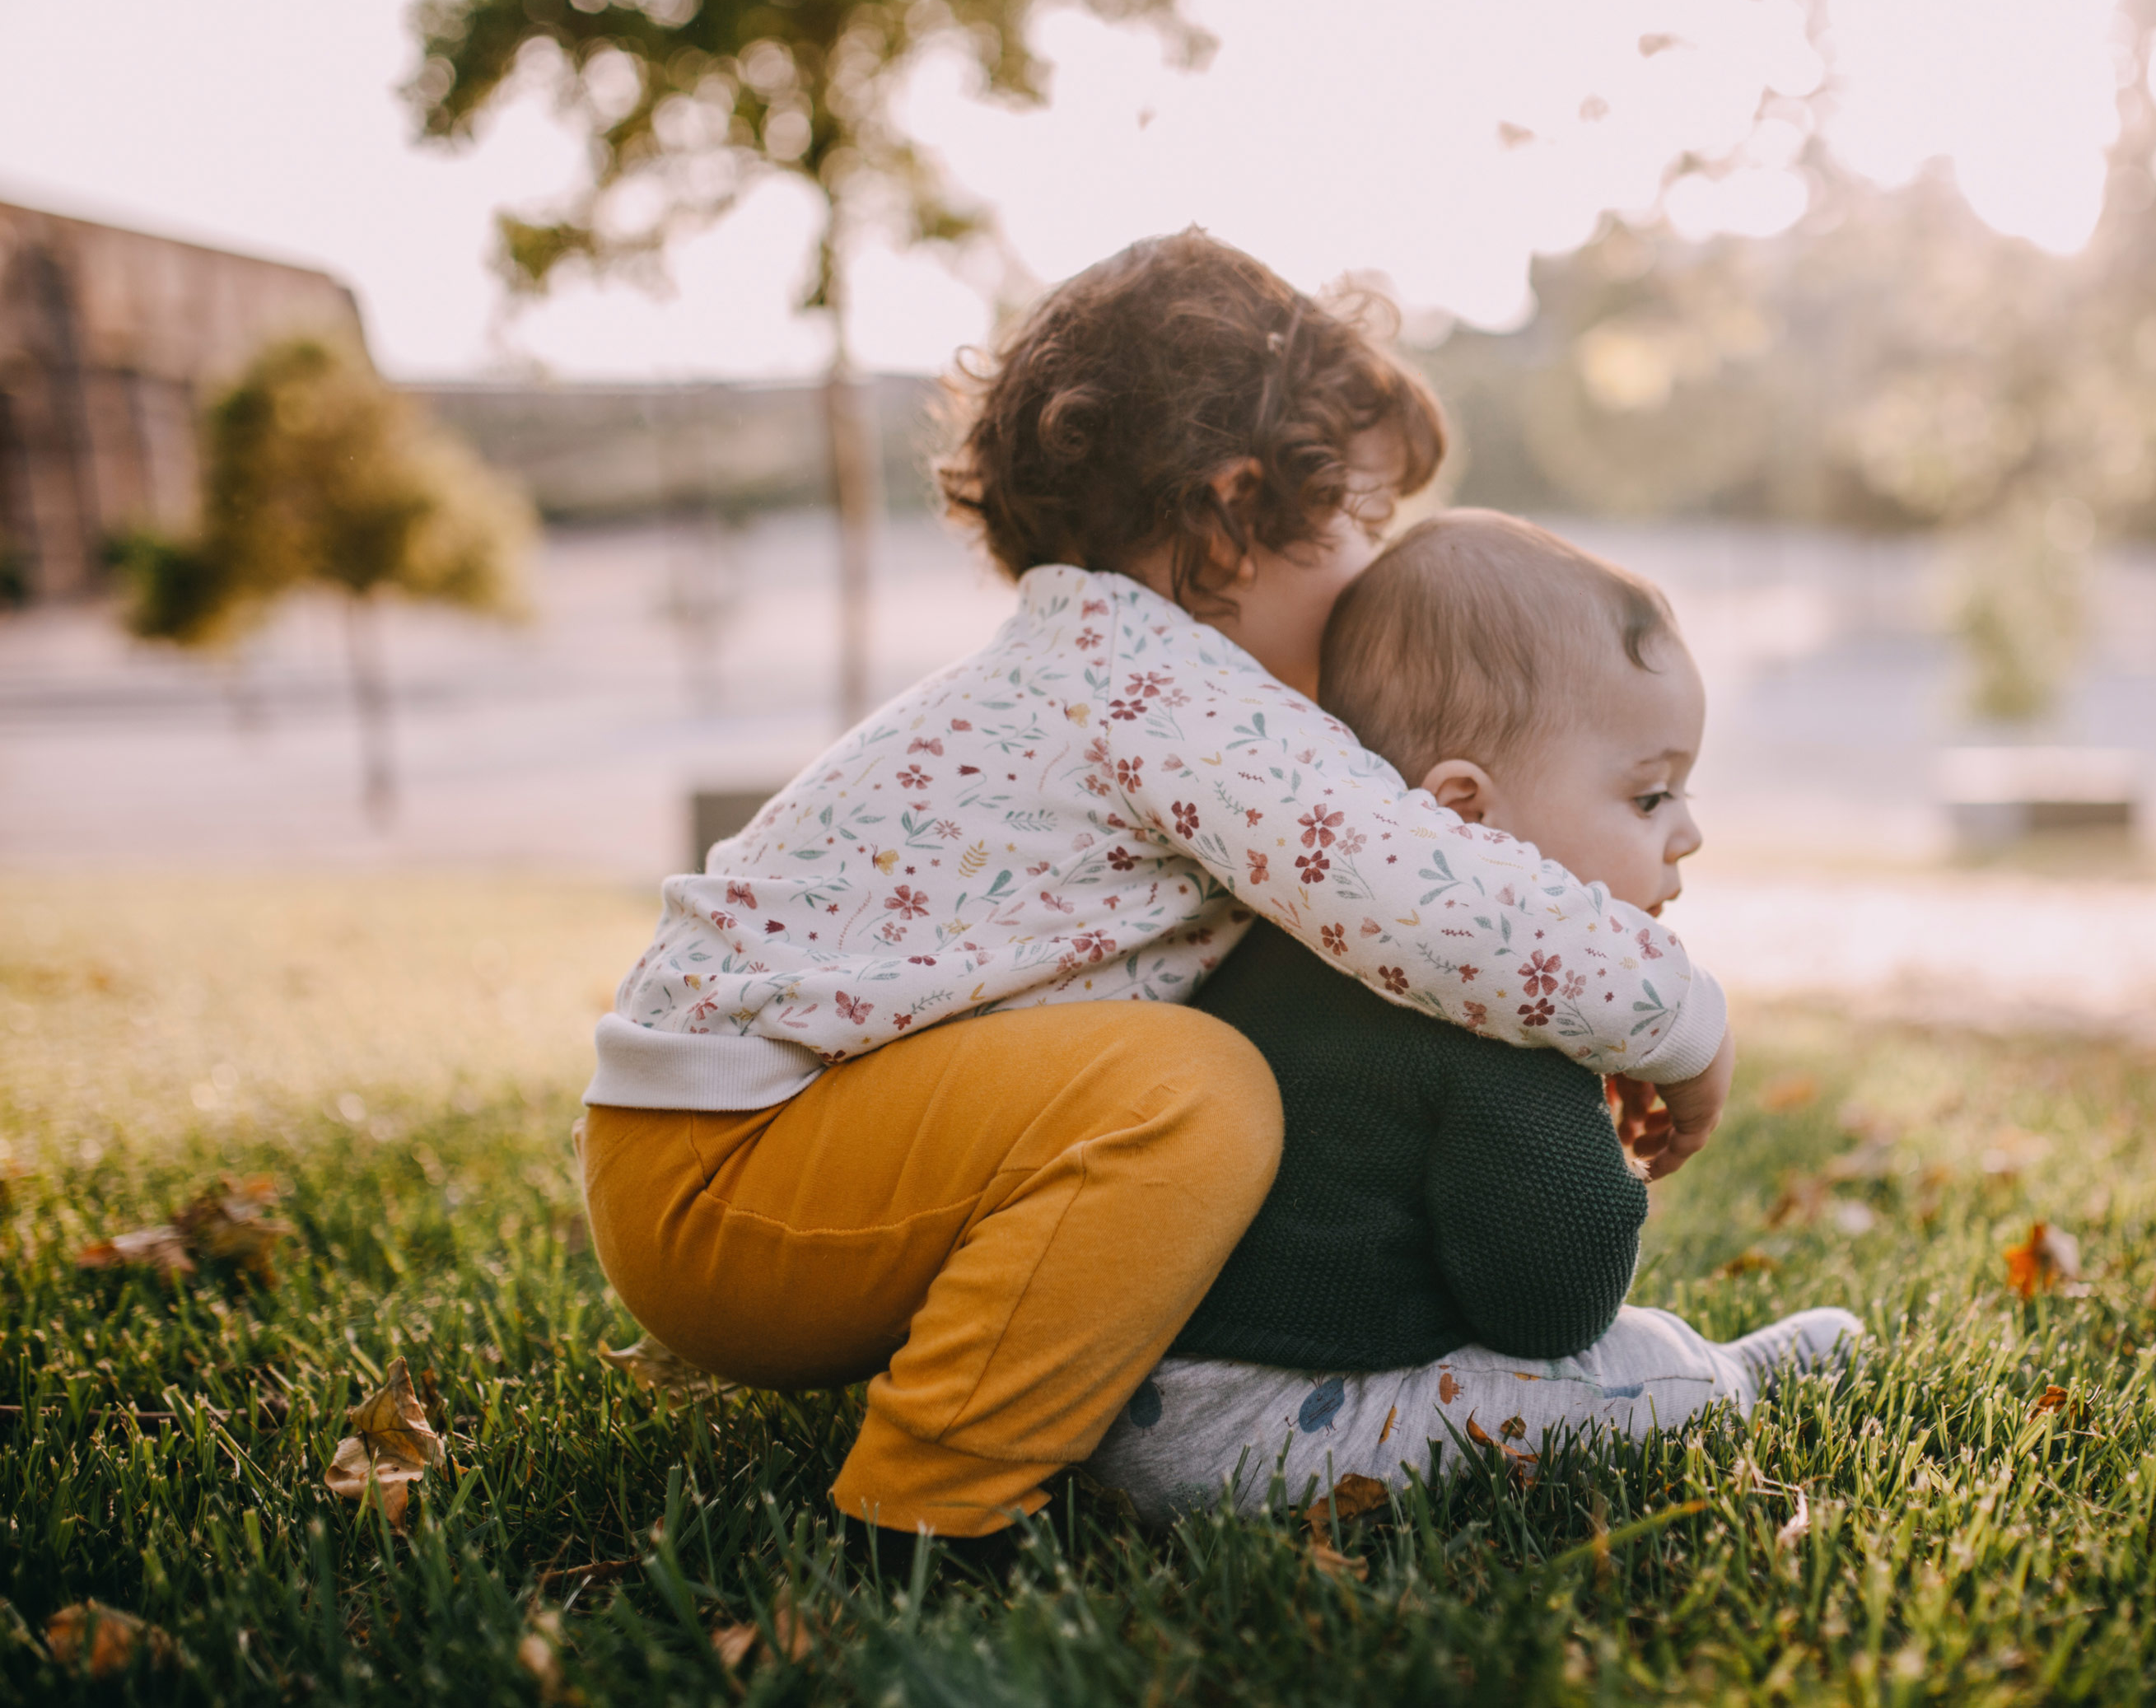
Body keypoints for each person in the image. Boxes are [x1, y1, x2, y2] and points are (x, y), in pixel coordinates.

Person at [573, 233, 1738, 1561]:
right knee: (1187, 1089)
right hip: (734, 1173)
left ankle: (1024, 1407)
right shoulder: (1165, 689)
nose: (1378, 574)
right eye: (1363, 520)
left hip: (727, 1160)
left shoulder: (1089, 668)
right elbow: (1441, 900)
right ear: (1234, 517)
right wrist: (1677, 1020)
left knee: (1168, 1086)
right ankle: (927, 1512)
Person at [1084, 511, 1860, 1524]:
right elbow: (1553, 1307)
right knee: (1623, 1365)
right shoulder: (1494, 1023)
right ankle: (1726, 1379)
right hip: (1254, 1430)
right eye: (1649, 794)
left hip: (1107, 1391)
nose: (1691, 832)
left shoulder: (1283, 934)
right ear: (1463, 813)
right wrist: (1592, 1155)